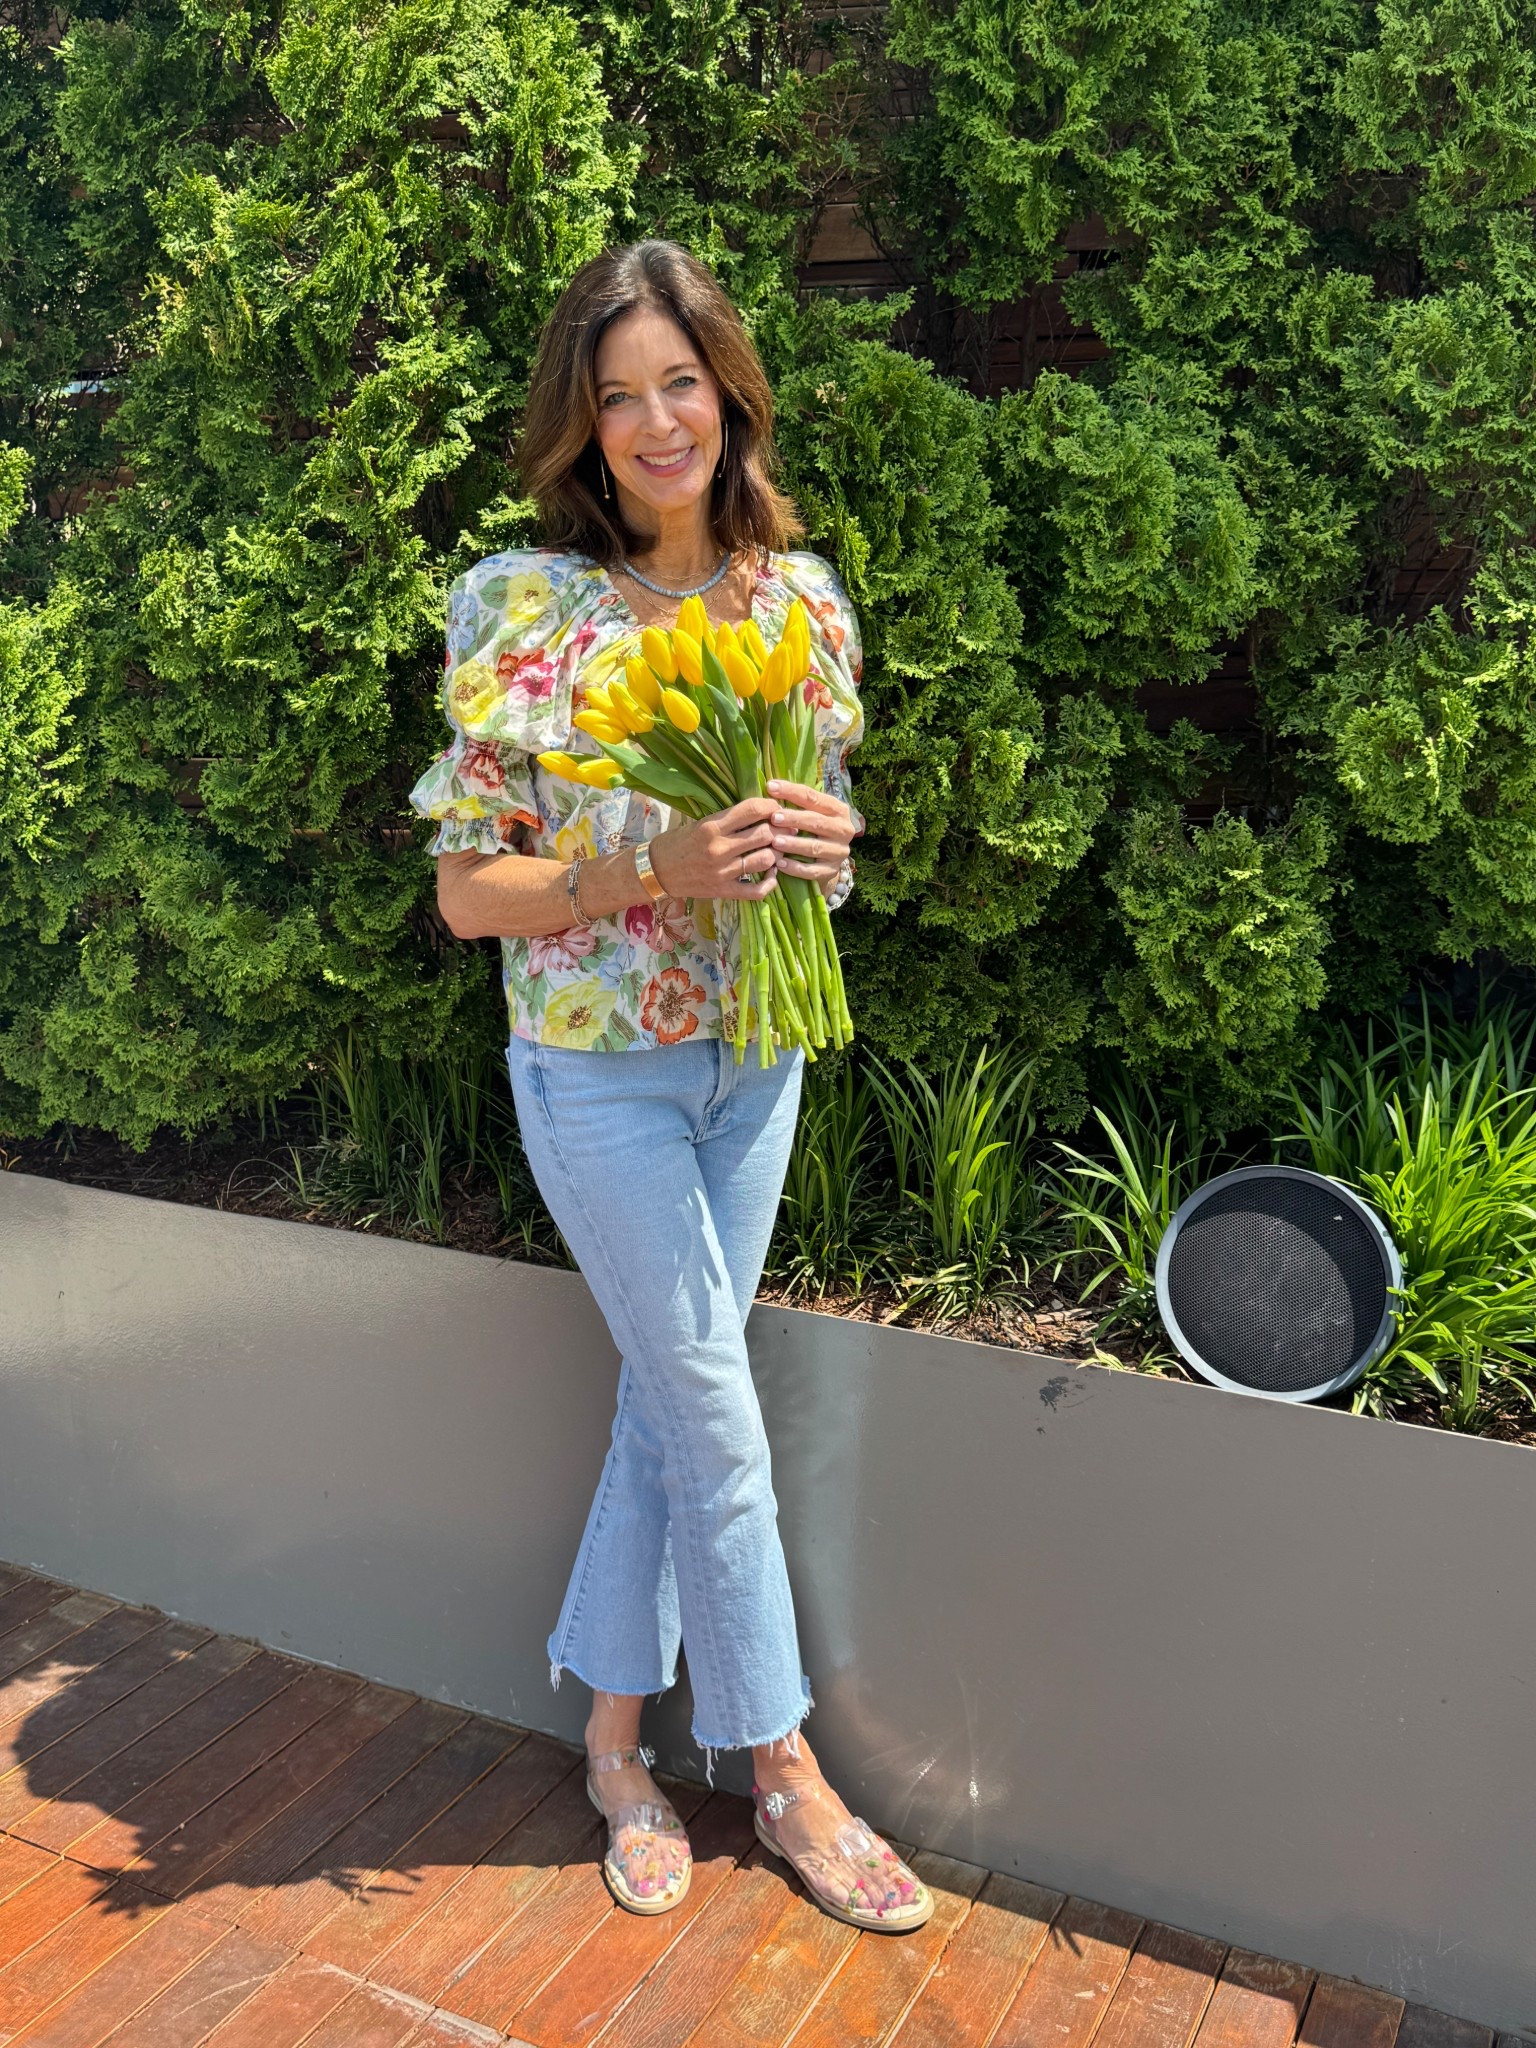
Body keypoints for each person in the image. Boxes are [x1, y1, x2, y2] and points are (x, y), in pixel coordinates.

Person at [408, 239, 931, 1933]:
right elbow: (467, 893)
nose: (654, 423)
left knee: (665, 1394)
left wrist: (815, 848)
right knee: (714, 1414)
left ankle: (616, 1748)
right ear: (582, 423)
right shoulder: (523, 608)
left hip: (756, 1061)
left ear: (728, 392)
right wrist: (653, 873)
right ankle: (784, 1770)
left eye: (679, 383)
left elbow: (816, 860)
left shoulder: (804, 601)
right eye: (616, 395)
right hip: (595, 1076)